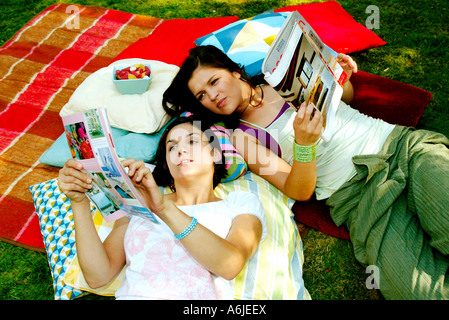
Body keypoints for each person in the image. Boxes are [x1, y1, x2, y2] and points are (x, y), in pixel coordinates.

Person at [162, 45, 449, 300]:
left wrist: (342, 79)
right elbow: (299, 190)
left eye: (215, 81)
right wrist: (303, 146)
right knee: (416, 289)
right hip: (361, 200)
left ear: (235, 72)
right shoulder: (241, 138)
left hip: (398, 149)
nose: (212, 95)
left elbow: (345, 99)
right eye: (202, 94)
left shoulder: (281, 78)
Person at [58, 115, 266, 300]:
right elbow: (97, 276)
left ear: (215, 154)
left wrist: (163, 208)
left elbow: (229, 265)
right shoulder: (139, 203)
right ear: (166, 163)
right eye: (172, 146)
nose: (181, 149)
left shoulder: (239, 203)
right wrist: (79, 203)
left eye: (192, 141)